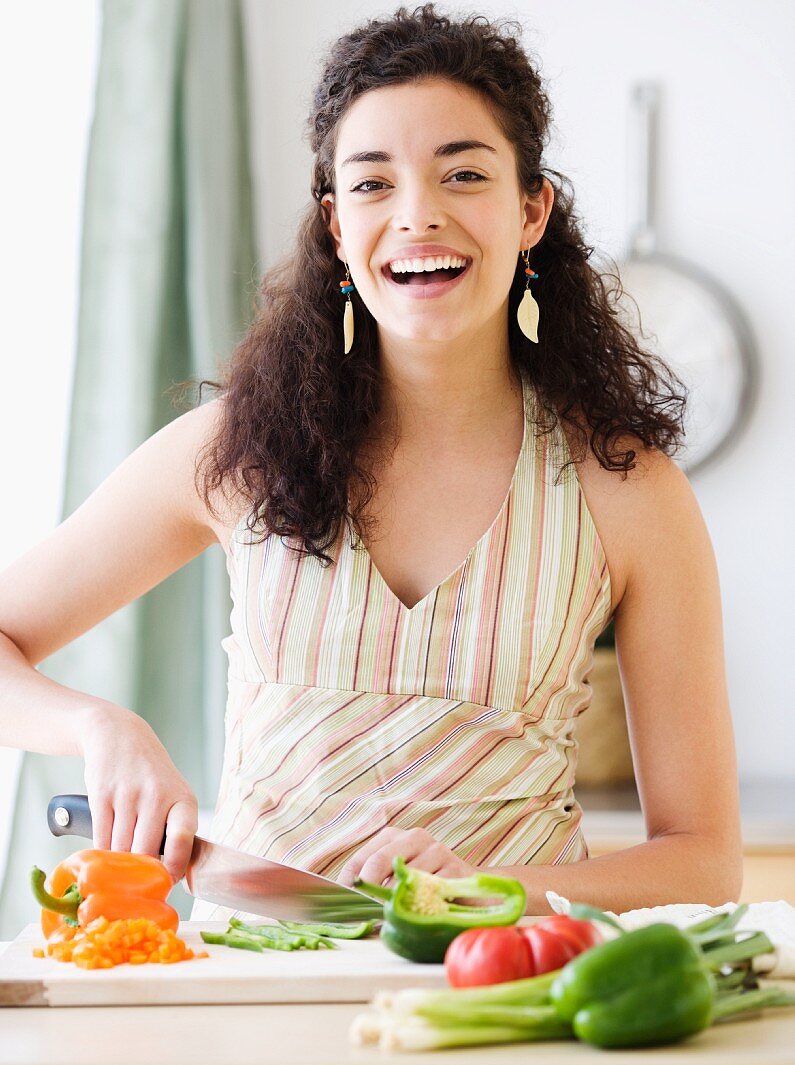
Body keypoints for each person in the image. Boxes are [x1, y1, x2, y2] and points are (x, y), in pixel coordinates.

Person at [0, 4, 742, 918]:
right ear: (336, 226)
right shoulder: (235, 451)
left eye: (463, 174)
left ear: (530, 210)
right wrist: (96, 725)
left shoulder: (626, 488)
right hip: (255, 994)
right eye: (372, 184)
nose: (418, 215)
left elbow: (702, 862)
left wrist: (493, 890)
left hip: (500, 991)